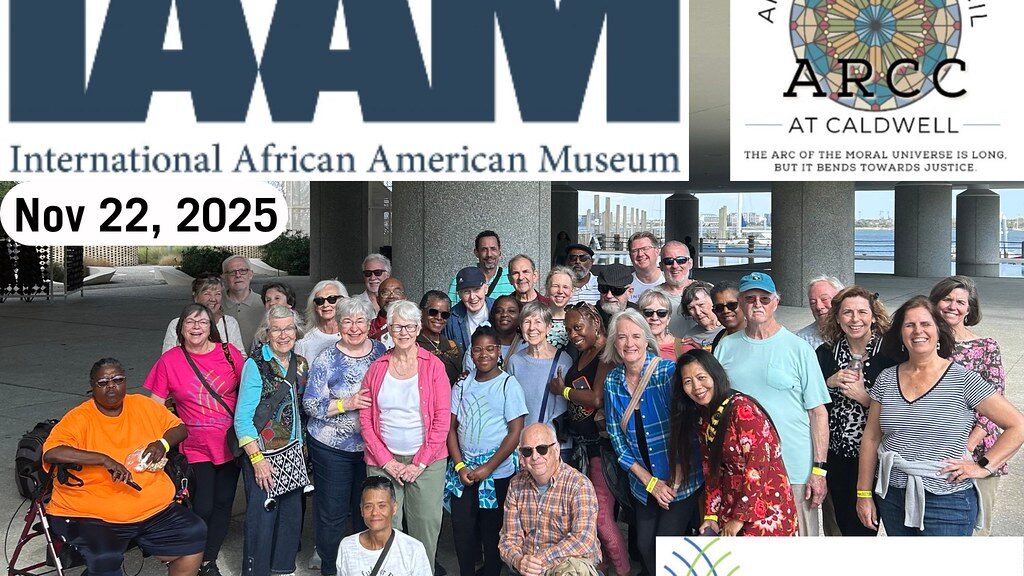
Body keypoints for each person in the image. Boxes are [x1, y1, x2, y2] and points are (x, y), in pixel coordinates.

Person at [856, 296, 1024, 536]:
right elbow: (872, 438)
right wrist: (863, 493)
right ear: (901, 334)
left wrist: (982, 467)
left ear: (938, 330)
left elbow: (1017, 425)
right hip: (892, 497)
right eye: (909, 325)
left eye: (925, 324)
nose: (918, 331)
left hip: (947, 501)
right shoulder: (887, 379)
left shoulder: (963, 380)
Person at [43, 358, 206, 576]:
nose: (111, 386)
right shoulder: (79, 418)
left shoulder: (142, 405)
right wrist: (103, 459)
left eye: (117, 380)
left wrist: (162, 444)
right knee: (105, 559)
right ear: (92, 387)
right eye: (103, 382)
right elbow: (52, 452)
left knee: (194, 532)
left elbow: (179, 427)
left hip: (152, 508)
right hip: (93, 515)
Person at [713, 272, 830, 537]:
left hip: (794, 468)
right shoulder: (726, 347)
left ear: (776, 302)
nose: (757, 304)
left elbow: (818, 413)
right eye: (750, 298)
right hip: (741, 471)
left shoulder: (799, 348)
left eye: (764, 299)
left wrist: (818, 470)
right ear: (741, 303)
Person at [145, 304, 244, 576]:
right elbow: (154, 407)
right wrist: (158, 441)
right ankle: (191, 555)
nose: (196, 327)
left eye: (202, 322)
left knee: (224, 502)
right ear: (181, 329)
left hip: (230, 443)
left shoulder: (229, 354)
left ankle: (208, 560)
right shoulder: (170, 361)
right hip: (195, 445)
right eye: (190, 322)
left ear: (211, 327)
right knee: (202, 506)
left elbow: (248, 391)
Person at [603, 310, 701, 574]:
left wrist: (674, 480)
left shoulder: (668, 373)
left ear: (647, 339)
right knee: (645, 546)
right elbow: (616, 437)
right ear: (614, 343)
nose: (629, 343)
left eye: (636, 336)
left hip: (679, 479)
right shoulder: (612, 381)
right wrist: (649, 482)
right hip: (643, 482)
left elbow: (688, 429)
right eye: (622, 337)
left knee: (666, 548)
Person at [360, 300, 451, 569]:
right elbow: (365, 420)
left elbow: (442, 420)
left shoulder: (434, 366)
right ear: (389, 329)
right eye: (398, 326)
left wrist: (419, 463)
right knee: (383, 527)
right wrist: (387, 462)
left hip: (428, 462)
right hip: (383, 461)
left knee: (425, 525)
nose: (404, 332)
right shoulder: (377, 368)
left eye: (410, 326)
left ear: (418, 328)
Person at [670, 349, 797, 536]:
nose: (697, 387)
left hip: (765, 506)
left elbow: (758, 466)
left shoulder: (742, 409)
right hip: (731, 505)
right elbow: (711, 468)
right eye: (688, 382)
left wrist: (739, 518)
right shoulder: (704, 416)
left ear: (715, 375)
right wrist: (711, 515)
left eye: (701, 377)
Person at [303, 297, 387, 576]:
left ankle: (361, 565)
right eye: (347, 321)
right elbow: (310, 404)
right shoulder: (327, 358)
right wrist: (346, 403)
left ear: (369, 324)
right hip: (331, 448)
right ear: (338, 325)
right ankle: (330, 566)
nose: (354, 327)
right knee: (333, 512)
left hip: (371, 447)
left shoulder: (380, 352)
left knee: (366, 508)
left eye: (360, 321)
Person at [548, 303, 631, 576]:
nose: (573, 334)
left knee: (601, 516)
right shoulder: (584, 352)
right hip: (582, 446)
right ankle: (602, 566)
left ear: (595, 322)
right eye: (569, 329)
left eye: (578, 327)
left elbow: (597, 398)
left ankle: (623, 571)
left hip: (601, 448)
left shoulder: (606, 355)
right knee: (588, 515)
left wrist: (563, 390)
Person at [446, 326, 528, 576]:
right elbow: (450, 429)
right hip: (464, 471)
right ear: (470, 353)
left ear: (499, 352)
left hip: (496, 473)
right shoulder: (462, 385)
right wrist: (460, 465)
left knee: (493, 530)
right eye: (478, 349)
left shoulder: (508, 385)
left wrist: (488, 468)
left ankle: (491, 571)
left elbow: (515, 432)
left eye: (490, 349)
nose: (484, 355)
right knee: (463, 529)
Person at [929, 276, 1008, 536]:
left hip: (976, 448)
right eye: (946, 299)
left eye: (960, 302)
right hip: (932, 447)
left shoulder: (986, 347)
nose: (952, 306)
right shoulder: (923, 342)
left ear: (969, 309)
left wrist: (968, 446)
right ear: (934, 303)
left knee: (976, 530)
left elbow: (997, 401)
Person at [235, 305, 309, 576]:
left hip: (293, 454)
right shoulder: (256, 365)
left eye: (288, 328)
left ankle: (282, 569)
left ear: (296, 331)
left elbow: (300, 408)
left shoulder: (301, 363)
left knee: (291, 519)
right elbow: (242, 420)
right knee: (262, 520)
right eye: (276, 329)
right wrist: (257, 460)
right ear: (266, 334)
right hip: (263, 455)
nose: (283, 334)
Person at [814, 285, 895, 536]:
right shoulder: (825, 354)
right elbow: (810, 402)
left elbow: (904, 407)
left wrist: (866, 399)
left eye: (862, 312)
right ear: (837, 318)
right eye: (847, 313)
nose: (855, 319)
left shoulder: (891, 354)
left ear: (874, 316)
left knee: (886, 526)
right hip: (839, 457)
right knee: (850, 527)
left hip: (881, 456)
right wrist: (828, 383)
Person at [499, 423, 601, 576]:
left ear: (556, 449)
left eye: (542, 449)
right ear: (521, 457)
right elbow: (508, 539)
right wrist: (519, 561)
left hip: (566, 564)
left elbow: (583, 540)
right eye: (527, 451)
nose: (535, 457)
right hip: (530, 569)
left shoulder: (579, 485)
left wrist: (541, 560)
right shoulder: (516, 485)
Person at [336, 476, 431, 576]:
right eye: (368, 506)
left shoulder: (413, 549)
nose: (375, 512)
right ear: (361, 510)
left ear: (394, 508)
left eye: (382, 506)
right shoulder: (347, 546)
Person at [507, 302, 573, 432]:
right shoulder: (515, 361)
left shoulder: (563, 361)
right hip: (521, 438)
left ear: (548, 327)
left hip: (551, 438)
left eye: (538, 322)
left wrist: (544, 435)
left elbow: (562, 407)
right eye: (527, 322)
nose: (532, 328)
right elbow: (511, 404)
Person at [162, 274, 245, 356]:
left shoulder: (230, 323)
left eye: (218, 294)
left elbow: (241, 356)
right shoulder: (177, 324)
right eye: (207, 294)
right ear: (195, 297)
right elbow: (167, 358)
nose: (213, 299)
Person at [446, 230, 515, 303]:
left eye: (493, 249)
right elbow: (452, 309)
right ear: (476, 252)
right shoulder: (460, 280)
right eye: (484, 249)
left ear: (499, 252)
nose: (489, 254)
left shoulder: (512, 277)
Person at [443, 266, 496, 358]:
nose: (472, 297)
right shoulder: (451, 318)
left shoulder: (498, 309)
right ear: (459, 294)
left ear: (486, 289)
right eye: (466, 292)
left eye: (476, 289)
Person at [296, 279, 349, 365]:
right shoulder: (304, 343)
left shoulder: (354, 336)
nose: (325, 305)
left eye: (332, 299)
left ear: (343, 301)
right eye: (319, 301)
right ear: (315, 307)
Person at [417, 290, 464, 385]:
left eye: (444, 314)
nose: (439, 318)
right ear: (421, 312)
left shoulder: (453, 346)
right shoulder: (413, 345)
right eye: (433, 312)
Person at [222, 255, 265, 348]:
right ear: (224, 277)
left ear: (251, 274)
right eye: (232, 272)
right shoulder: (216, 305)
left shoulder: (265, 304)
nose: (238, 275)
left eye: (243, 271)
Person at [659, 240, 696, 337]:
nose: (675, 266)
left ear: (690, 263)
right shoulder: (650, 296)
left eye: (681, 260)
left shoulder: (707, 291)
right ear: (661, 266)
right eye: (669, 261)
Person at [250, 282, 298, 357]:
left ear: (290, 302)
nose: (272, 303)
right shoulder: (261, 332)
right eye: (268, 300)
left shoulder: (299, 328)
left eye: (277, 298)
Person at [795, 276, 844, 350]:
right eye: (813, 302)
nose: (818, 306)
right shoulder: (803, 339)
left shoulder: (854, 331)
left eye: (824, 299)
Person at [636, 288, 679, 361]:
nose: (654, 318)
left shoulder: (684, 347)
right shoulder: (631, 347)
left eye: (661, 313)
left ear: (668, 318)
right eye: (648, 312)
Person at [679, 281, 723, 350]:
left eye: (701, 305)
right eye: (691, 308)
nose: (698, 312)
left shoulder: (730, 328)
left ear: (714, 302)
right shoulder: (689, 338)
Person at [595, 263, 638, 327]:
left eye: (616, 290)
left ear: (630, 291)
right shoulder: (588, 316)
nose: (609, 295)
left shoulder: (639, 316)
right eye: (604, 288)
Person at [490, 294, 526, 367]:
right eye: (499, 311)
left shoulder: (527, 346)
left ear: (520, 315)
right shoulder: (481, 344)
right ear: (493, 315)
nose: (504, 314)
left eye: (511, 311)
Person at [627, 232, 664, 302]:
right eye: (635, 251)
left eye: (645, 249)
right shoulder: (625, 285)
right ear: (630, 256)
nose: (640, 254)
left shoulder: (668, 280)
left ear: (657, 251)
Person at [709, 281, 745, 352]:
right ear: (714, 312)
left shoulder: (758, 337)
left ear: (743, 305)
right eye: (719, 307)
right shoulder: (719, 338)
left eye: (732, 305)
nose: (726, 311)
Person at [546, 266, 575, 349]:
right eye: (555, 286)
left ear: (572, 291)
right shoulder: (538, 317)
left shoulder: (577, 319)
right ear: (547, 289)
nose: (560, 291)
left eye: (565, 287)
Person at [369, 277, 406, 343]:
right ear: (377, 299)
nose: (391, 296)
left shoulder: (414, 326)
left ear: (404, 298)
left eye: (397, 292)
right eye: (385, 293)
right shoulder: (368, 328)